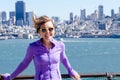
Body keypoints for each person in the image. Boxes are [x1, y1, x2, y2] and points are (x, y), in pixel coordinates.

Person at [3, 15, 81, 80]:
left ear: (54, 30)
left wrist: (71, 71)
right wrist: (10, 77)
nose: (48, 32)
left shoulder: (60, 45)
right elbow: (24, 63)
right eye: (44, 30)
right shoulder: (33, 47)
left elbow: (64, 59)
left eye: (50, 29)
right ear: (39, 32)